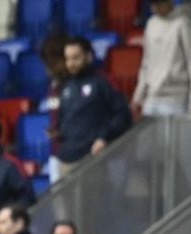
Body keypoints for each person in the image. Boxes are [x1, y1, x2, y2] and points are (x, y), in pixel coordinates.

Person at [52, 37, 132, 178]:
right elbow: (63, 119)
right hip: (65, 160)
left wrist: (103, 137)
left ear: (88, 56)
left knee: (94, 200)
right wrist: (57, 131)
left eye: (76, 58)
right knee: (65, 201)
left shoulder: (103, 82)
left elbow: (123, 114)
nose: (71, 64)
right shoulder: (64, 86)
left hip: (92, 160)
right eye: (68, 59)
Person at [135, 0, 191, 116]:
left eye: (158, 3)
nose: (155, 8)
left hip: (176, 100)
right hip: (151, 99)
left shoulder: (183, 24)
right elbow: (146, 64)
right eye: (152, 4)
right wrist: (138, 96)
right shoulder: (151, 25)